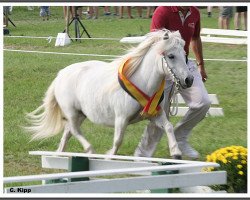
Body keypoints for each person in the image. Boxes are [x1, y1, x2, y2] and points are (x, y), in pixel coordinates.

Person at [134, 6, 211, 159]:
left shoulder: (195, 13)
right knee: (162, 113)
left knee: (203, 102)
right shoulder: (162, 11)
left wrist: (201, 65)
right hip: (166, 66)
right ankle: (142, 154)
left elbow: (195, 38)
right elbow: (154, 42)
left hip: (185, 63)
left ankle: (180, 138)